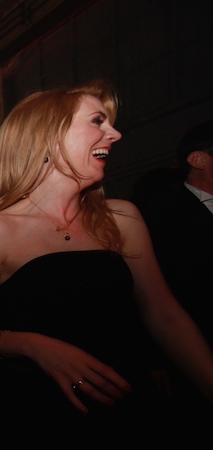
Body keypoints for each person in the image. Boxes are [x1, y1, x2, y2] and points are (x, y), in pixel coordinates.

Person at [0, 79, 213, 448]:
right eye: (97, 121)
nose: (114, 134)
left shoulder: (122, 218)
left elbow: (165, 315)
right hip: (39, 415)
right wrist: (33, 346)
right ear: (49, 136)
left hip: (128, 409)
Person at [131, 119, 213, 434]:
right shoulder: (162, 216)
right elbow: (148, 295)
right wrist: (153, 360)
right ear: (198, 159)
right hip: (193, 357)